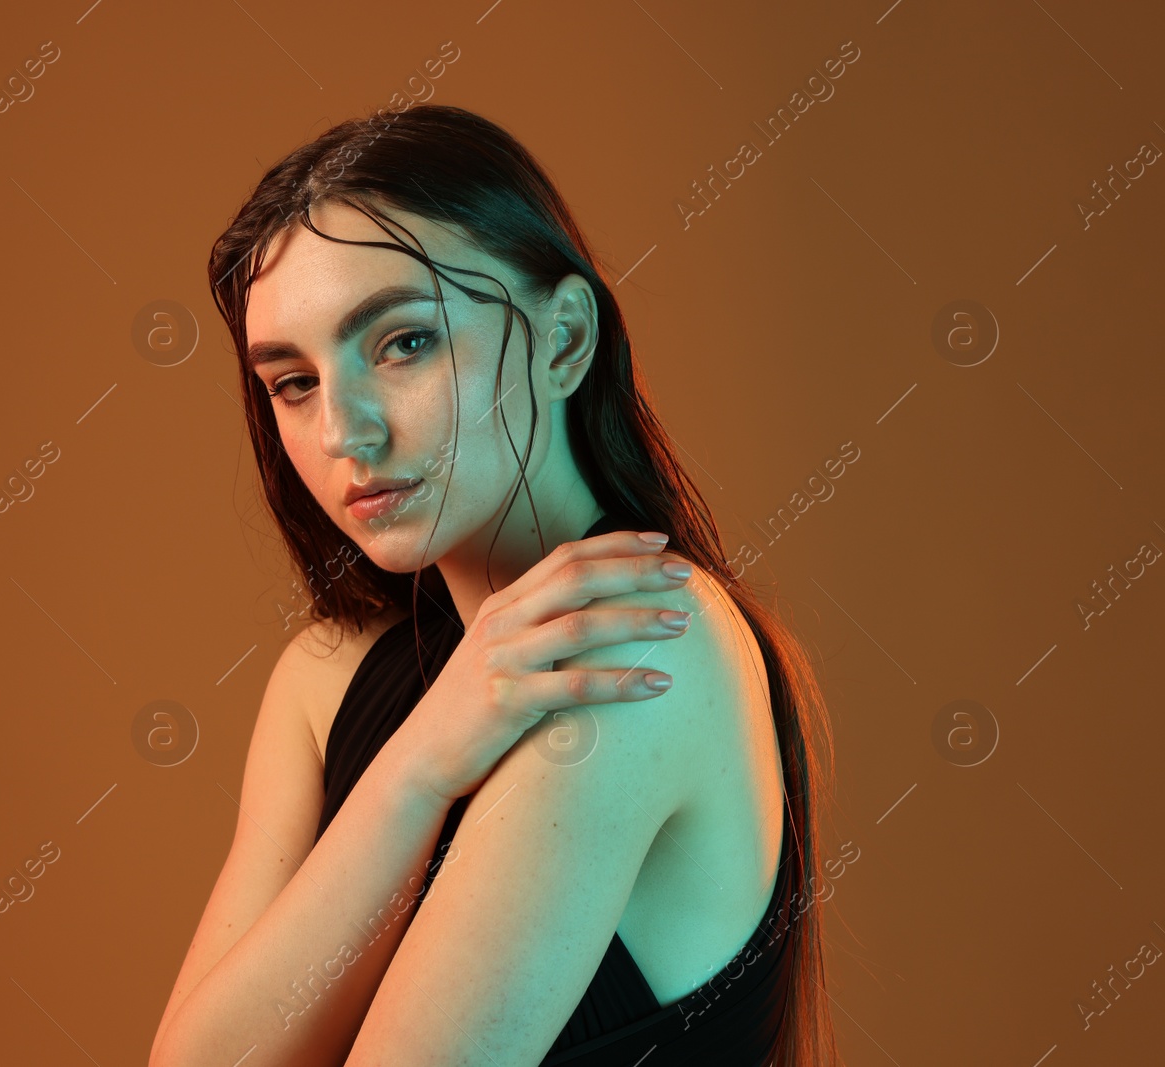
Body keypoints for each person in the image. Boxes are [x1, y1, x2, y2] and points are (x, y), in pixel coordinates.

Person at [151, 104, 838, 1067]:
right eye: (293, 383)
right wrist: (420, 763)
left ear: (562, 341)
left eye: (403, 344)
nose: (345, 431)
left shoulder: (647, 643)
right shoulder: (326, 676)